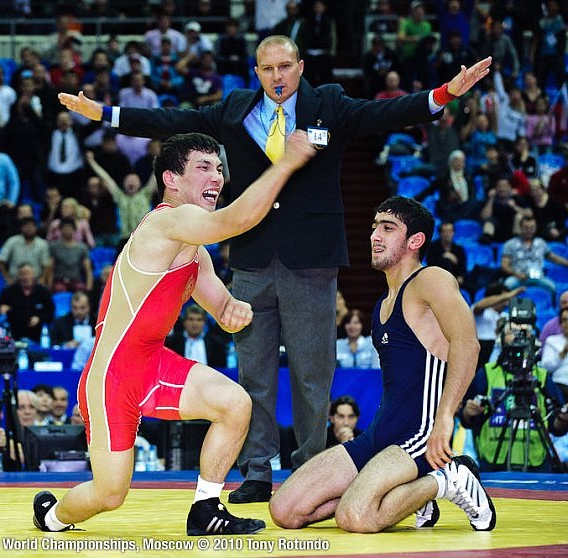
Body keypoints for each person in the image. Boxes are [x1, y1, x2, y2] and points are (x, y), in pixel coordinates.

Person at [58, 34, 492, 503]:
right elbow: (174, 120)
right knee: (255, 374)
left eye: (285, 67)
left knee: (312, 374)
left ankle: (308, 468)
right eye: (267, 69)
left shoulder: (329, 105)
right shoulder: (235, 109)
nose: (277, 77)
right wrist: (106, 114)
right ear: (256, 72)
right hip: (252, 257)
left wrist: (444, 94)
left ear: (300, 67)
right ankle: (257, 471)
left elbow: (383, 113)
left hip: (311, 259)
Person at [31, 130, 316, 536]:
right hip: (112, 376)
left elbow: (222, 310)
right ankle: (52, 516)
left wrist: (233, 312)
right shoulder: (165, 223)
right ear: (171, 179)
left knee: (234, 403)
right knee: (110, 494)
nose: (216, 176)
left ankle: (206, 508)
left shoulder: (195, 253)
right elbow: (235, 220)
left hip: (153, 363)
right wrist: (285, 164)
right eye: (203, 167)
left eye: (218, 168)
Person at [269, 196, 496, 534]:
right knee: (284, 510)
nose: (375, 235)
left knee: (355, 517)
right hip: (380, 434)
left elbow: (468, 344)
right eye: (375, 227)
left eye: (388, 228)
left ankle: (448, 480)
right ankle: (408, 492)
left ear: (415, 241)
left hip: (420, 434)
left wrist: (446, 418)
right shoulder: (382, 305)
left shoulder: (431, 280)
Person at [460, 317, 568, 472]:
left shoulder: (542, 377)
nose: (518, 336)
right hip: (493, 463)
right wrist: (468, 412)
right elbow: (468, 419)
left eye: (524, 332)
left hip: (535, 465)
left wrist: (563, 419)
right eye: (512, 331)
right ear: (501, 338)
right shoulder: (487, 373)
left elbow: (556, 427)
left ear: (533, 339)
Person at [501, 215, 568, 298]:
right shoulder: (510, 244)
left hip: (538, 277)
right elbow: (504, 265)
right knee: (507, 285)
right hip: (518, 277)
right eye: (526, 228)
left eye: (532, 228)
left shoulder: (541, 243)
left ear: (535, 228)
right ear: (520, 228)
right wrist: (517, 274)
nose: (529, 230)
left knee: (552, 287)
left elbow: (554, 258)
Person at [0, 263, 55, 342]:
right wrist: (0, 308)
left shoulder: (43, 292)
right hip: (14, 333)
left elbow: (50, 313)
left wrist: (39, 319)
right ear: (18, 276)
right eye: (22, 274)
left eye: (28, 274)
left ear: (34, 275)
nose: (25, 277)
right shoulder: (9, 291)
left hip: (37, 334)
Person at [165, 304, 227, 368]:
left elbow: (221, 369)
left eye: (199, 320)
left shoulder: (216, 343)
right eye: (191, 319)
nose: (195, 323)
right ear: (184, 321)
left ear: (204, 322)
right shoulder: (171, 342)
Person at [0, 217, 51, 286]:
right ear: (21, 228)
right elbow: (1, 261)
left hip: (35, 281)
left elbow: (46, 264)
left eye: (32, 226)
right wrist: (7, 278)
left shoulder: (42, 244)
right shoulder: (12, 241)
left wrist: (43, 278)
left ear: (36, 228)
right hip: (15, 280)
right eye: (26, 226)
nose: (29, 229)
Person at [425, 221, 467, 288]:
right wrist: (444, 256)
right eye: (445, 231)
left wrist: (460, 276)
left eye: (450, 231)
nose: (447, 234)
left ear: (453, 233)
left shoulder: (459, 249)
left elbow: (462, 267)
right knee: (446, 262)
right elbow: (430, 264)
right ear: (440, 233)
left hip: (455, 278)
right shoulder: (432, 247)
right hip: (437, 277)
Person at [540, 307, 568, 403]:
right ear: (560, 324)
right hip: (560, 384)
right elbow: (545, 367)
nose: (567, 323)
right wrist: (562, 354)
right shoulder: (552, 341)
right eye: (564, 320)